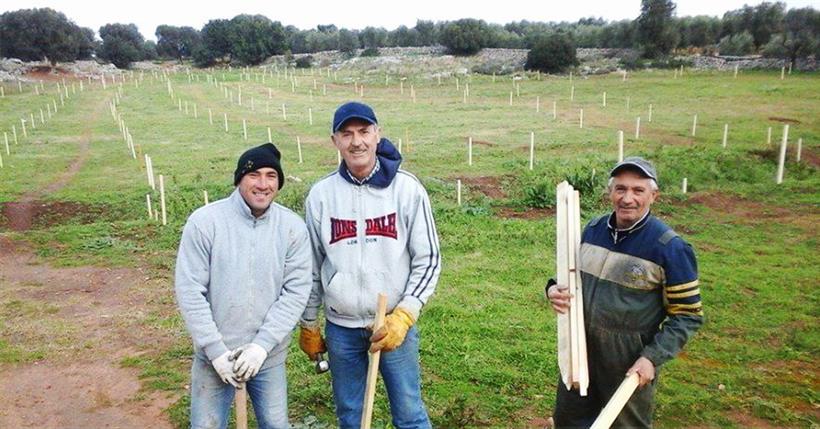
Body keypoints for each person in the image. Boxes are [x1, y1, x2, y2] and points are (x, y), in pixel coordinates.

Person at [297, 101, 441, 428]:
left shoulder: (407, 190)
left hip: (390, 326)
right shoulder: (321, 196)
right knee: (350, 415)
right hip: (341, 329)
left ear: (378, 134)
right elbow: (311, 267)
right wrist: (309, 322)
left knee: (409, 413)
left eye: (364, 131)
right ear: (335, 141)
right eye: (346, 134)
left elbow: (428, 259)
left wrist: (405, 314)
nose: (356, 141)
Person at [546, 157, 703, 428]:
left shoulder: (669, 248)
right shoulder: (594, 230)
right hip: (579, 346)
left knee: (624, 424)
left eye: (637, 190)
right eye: (620, 189)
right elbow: (571, 277)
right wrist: (552, 289)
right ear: (610, 192)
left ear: (653, 196)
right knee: (569, 420)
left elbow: (688, 315)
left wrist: (651, 357)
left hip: (628, 358)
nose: (627, 198)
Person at [175, 143, 312, 429]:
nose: (263, 184)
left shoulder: (292, 227)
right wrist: (216, 352)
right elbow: (190, 291)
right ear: (239, 179)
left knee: (276, 424)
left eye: (271, 176)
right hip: (215, 357)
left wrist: (261, 347)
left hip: (268, 357)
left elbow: (296, 292)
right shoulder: (205, 223)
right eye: (254, 175)